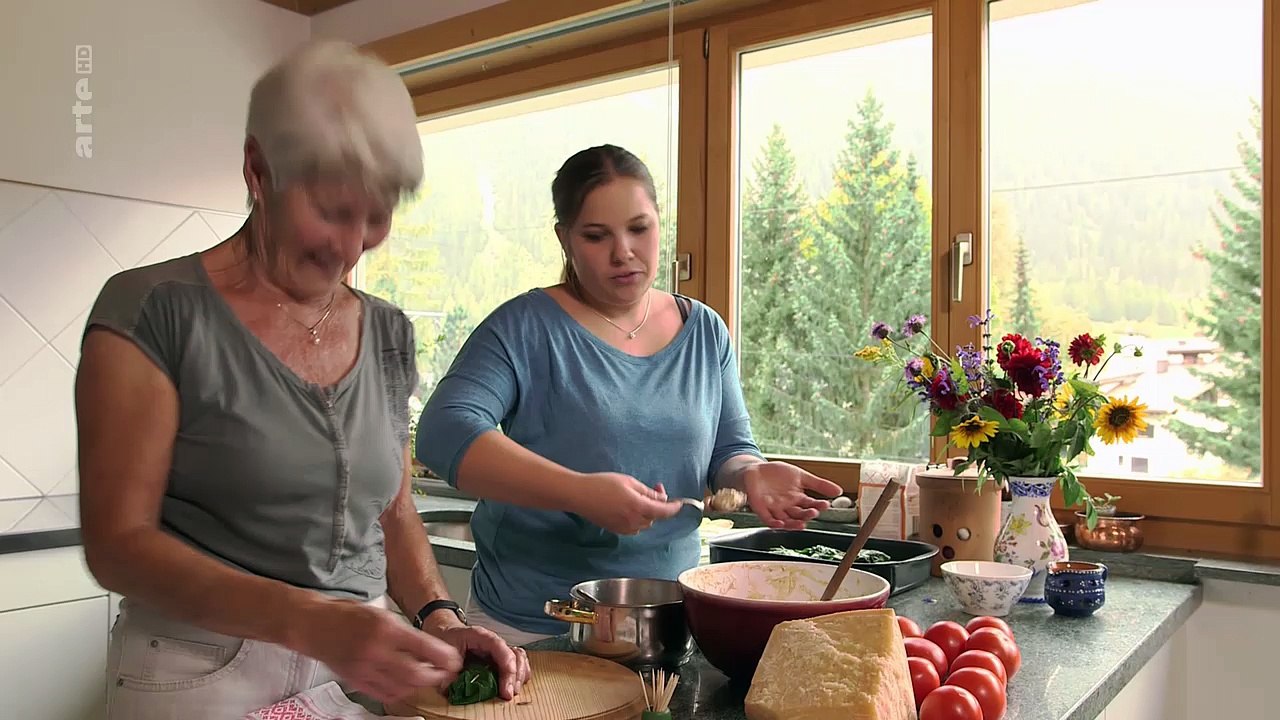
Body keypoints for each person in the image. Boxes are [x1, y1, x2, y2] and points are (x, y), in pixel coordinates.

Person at [74, 40, 528, 719]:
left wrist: (438, 617)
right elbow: (119, 547)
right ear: (260, 168)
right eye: (331, 210)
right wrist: (314, 622)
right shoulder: (154, 310)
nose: (351, 246)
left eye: (376, 217)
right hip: (199, 675)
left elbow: (392, 508)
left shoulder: (388, 333)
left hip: (357, 668)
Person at [414, 144, 844, 645]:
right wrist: (580, 493)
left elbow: (728, 448)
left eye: (639, 228)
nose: (624, 252)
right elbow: (444, 432)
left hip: (666, 622)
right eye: (597, 236)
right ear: (565, 239)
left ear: (660, 222)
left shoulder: (704, 330)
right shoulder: (525, 327)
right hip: (530, 628)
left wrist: (750, 475)